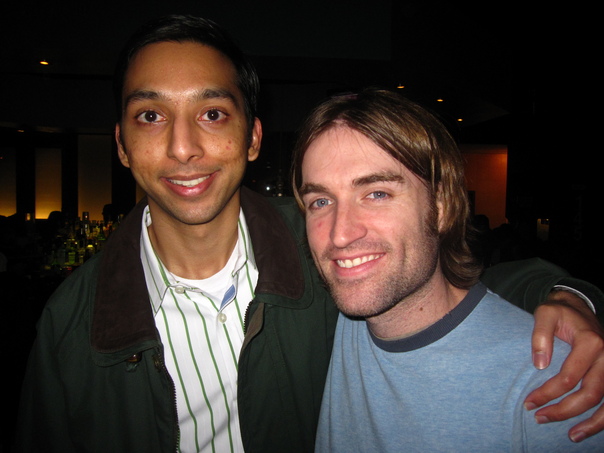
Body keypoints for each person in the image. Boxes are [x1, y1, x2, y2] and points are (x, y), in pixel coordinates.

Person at [13, 15, 604, 453]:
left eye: (213, 114)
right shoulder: (70, 322)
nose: (183, 146)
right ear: (121, 143)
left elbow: (441, 280)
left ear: (253, 137)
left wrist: (569, 296)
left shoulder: (321, 249)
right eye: (151, 116)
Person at [291, 88, 604, 452]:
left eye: (377, 194)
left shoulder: (556, 383)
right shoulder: (328, 315)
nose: (340, 234)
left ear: (441, 207)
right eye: (321, 201)